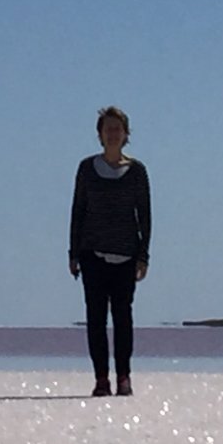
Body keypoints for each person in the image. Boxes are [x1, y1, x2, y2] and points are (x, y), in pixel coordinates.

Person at [69, 106, 151, 397]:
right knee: (95, 319)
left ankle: (124, 378)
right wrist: (73, 253)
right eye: (108, 129)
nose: (113, 134)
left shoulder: (137, 171)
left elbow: (144, 216)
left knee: (123, 318)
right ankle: (101, 379)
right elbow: (78, 211)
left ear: (126, 134)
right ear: (100, 135)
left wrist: (144, 256)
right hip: (92, 254)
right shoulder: (86, 169)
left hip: (126, 255)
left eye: (118, 129)